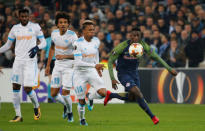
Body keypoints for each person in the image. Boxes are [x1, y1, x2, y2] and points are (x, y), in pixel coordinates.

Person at [104, 27, 178, 125]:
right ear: (130, 36)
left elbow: (156, 57)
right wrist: (112, 78)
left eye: (137, 35)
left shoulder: (143, 46)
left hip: (134, 74)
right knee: (137, 93)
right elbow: (110, 61)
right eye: (133, 35)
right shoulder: (122, 46)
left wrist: (169, 69)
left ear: (140, 37)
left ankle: (111, 95)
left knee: (132, 98)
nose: (135, 37)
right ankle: (153, 117)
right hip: (123, 74)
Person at [0, 8, 46, 122]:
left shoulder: (35, 27)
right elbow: (8, 45)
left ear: (29, 16)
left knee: (27, 88)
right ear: (19, 17)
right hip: (18, 61)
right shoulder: (15, 29)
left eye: (26, 16)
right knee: (15, 87)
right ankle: (18, 115)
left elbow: (44, 42)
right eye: (22, 16)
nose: (24, 18)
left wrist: (37, 47)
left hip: (30, 62)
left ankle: (36, 107)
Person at [56, 20, 106, 125]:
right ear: (83, 31)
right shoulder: (77, 43)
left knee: (103, 93)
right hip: (79, 74)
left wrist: (97, 67)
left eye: (93, 30)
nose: (92, 32)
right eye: (89, 30)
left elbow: (95, 55)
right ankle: (82, 119)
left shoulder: (96, 41)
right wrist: (95, 65)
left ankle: (91, 97)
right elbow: (78, 62)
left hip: (92, 71)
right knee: (81, 101)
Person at [45, 12, 78, 122]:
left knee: (65, 93)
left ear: (68, 24)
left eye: (65, 22)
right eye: (61, 22)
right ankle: (66, 106)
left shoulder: (73, 36)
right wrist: (48, 65)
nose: (63, 24)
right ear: (57, 24)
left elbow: (78, 54)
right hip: (57, 66)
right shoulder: (54, 34)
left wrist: (65, 56)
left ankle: (70, 113)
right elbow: (52, 48)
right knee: (53, 94)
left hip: (69, 67)